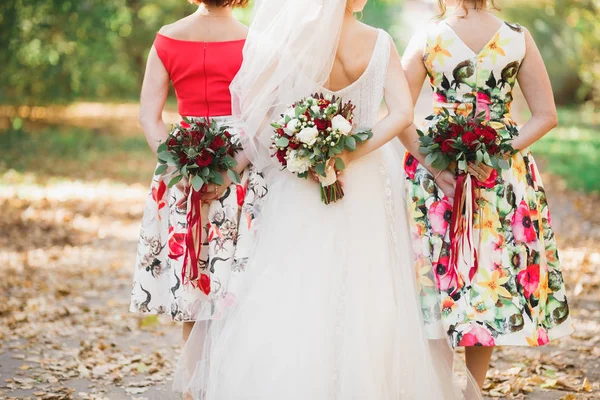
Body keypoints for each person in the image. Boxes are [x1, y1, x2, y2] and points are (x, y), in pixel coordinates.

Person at [174, 0, 481, 399]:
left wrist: (296, 148)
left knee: (292, 282)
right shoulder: (379, 42)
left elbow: (255, 115)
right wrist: (352, 152)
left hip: (299, 183)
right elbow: (402, 113)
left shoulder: (286, 41)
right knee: (368, 285)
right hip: (366, 179)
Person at [400, 0, 574, 390]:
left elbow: (399, 115)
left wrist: (437, 167)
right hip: (502, 178)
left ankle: (441, 387)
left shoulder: (427, 36)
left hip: (438, 172)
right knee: (487, 277)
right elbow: (546, 114)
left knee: (436, 279)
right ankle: (472, 391)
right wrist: (497, 154)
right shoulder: (517, 37)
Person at [129, 0, 267, 352]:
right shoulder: (254, 43)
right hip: (239, 170)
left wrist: (180, 169)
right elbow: (260, 121)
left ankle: (192, 385)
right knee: (238, 284)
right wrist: (229, 172)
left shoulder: (166, 39)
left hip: (185, 165)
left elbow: (149, 116)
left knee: (194, 277)